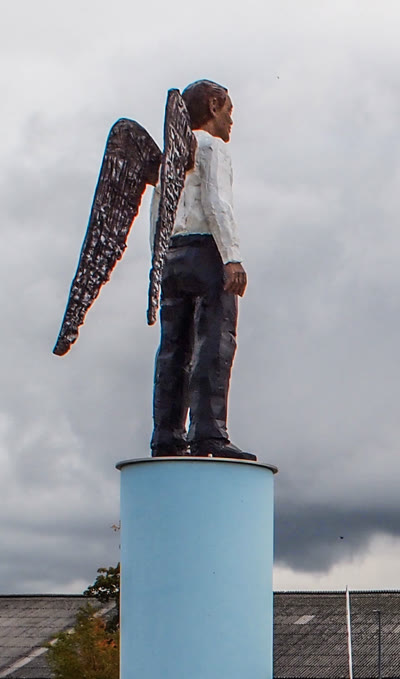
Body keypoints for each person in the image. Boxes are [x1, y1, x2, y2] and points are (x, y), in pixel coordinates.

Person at [152, 79, 254, 460]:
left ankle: (167, 434)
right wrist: (232, 257)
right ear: (213, 106)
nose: (231, 121)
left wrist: (158, 260)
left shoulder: (171, 155)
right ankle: (209, 431)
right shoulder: (212, 148)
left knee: (173, 348)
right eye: (228, 111)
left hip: (172, 255)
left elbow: (158, 212)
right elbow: (217, 203)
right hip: (206, 252)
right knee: (215, 339)